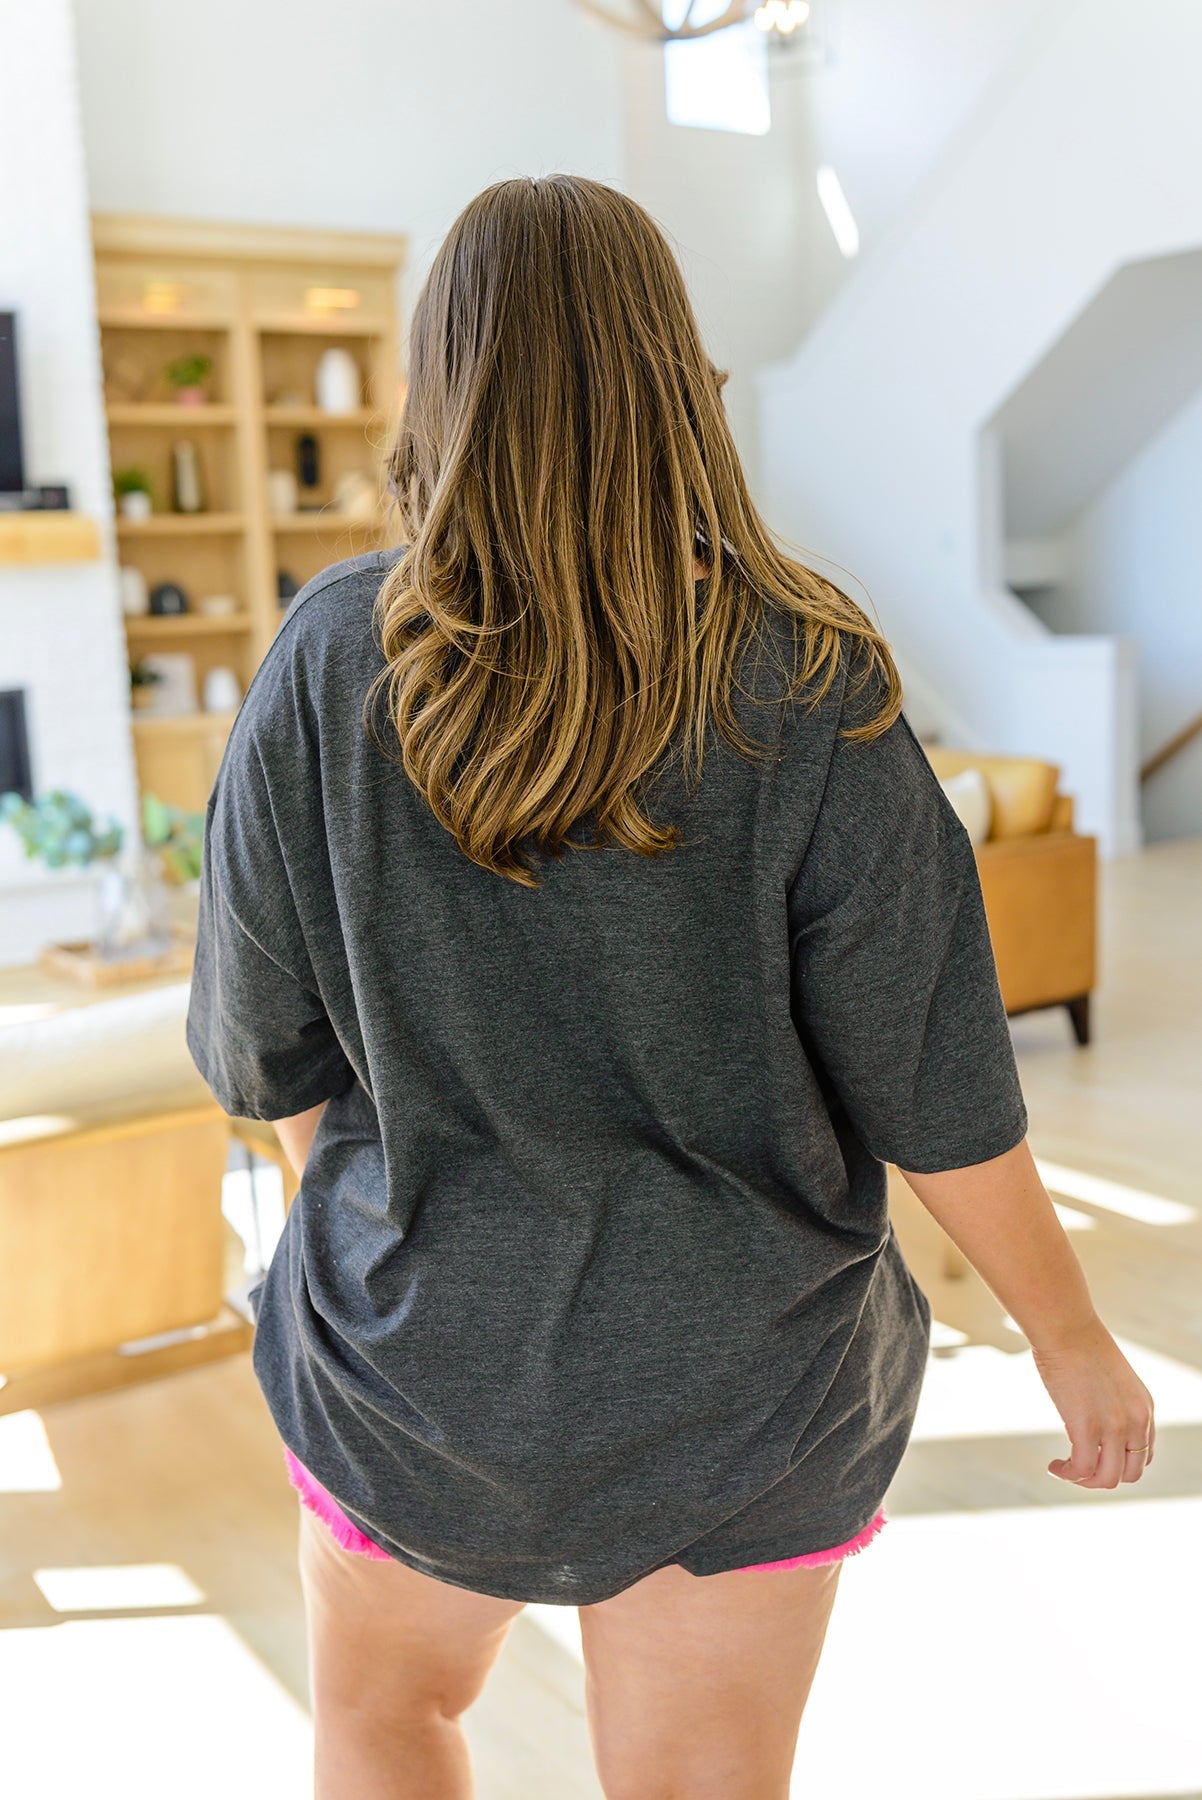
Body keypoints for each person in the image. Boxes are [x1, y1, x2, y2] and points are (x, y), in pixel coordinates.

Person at [186, 174, 1156, 1800]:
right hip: (745, 1393)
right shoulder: (805, 668)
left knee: (384, 1726)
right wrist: (1069, 1338)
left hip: (417, 1378)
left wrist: (400, 1224)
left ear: (440, 377)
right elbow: (932, 1081)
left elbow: (264, 1058)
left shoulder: (324, 657)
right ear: (673, 372)